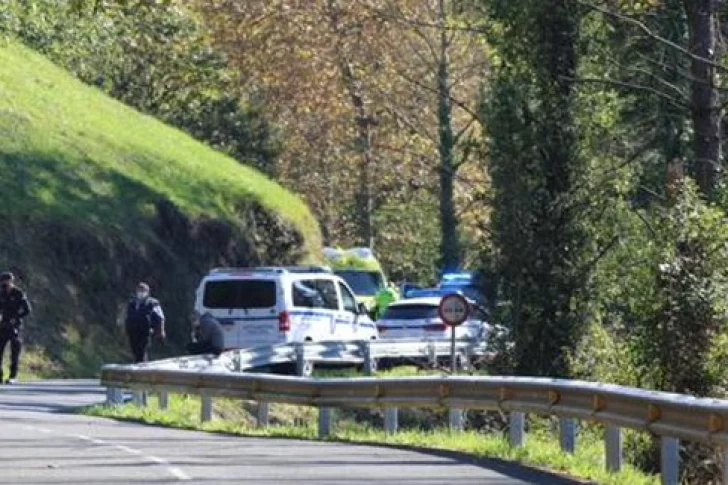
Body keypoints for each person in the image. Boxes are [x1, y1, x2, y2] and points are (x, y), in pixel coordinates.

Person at [0, 272, 31, 384]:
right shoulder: (1, 293)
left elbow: (27, 310)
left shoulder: (18, 293)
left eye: (6, 283)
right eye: (2, 283)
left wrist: (16, 318)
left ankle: (13, 376)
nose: (4, 286)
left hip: (15, 326)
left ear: (11, 282)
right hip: (3, 325)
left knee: (14, 352)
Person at [124, 282, 165, 363]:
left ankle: (141, 368)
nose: (140, 292)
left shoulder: (153, 303)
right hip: (132, 330)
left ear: (147, 292)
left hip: (145, 331)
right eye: (139, 290)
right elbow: (127, 317)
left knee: (142, 351)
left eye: (143, 290)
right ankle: (136, 366)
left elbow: (160, 317)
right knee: (134, 350)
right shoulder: (132, 303)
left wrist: (161, 331)